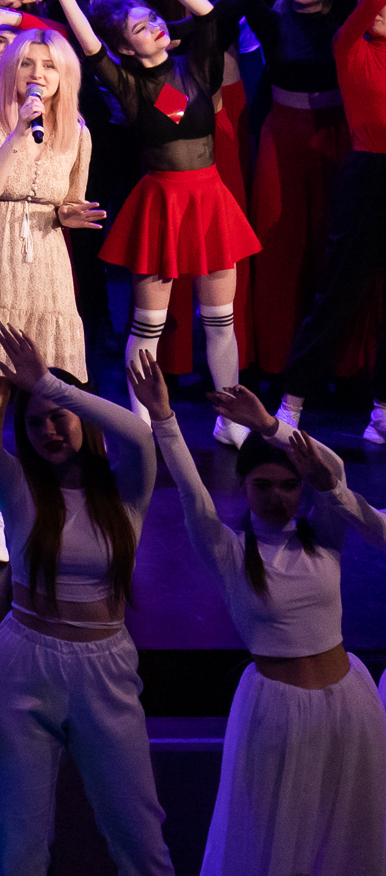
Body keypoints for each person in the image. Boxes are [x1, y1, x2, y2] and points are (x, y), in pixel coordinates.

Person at [0, 283, 173, 876]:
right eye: (35, 424)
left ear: (80, 417)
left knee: (141, 842)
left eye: (59, 418)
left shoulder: (125, 493)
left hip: (105, 669)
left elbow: (140, 434)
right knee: (20, 848)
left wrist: (50, 386)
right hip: (24, 663)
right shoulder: (18, 487)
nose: (48, 430)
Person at [133, 363, 385, 876]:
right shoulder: (227, 550)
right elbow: (191, 491)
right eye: (263, 486)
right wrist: (163, 418)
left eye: (289, 486)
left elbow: (334, 470)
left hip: (350, 706)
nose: (277, 497)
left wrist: (272, 425)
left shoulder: (324, 534)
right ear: (243, 486)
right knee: (272, 841)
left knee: (348, 841)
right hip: (277, 713)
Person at [34, 0, 259, 442]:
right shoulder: (130, 84)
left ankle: (231, 420)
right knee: (148, 325)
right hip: (162, 206)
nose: (154, 27)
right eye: (140, 27)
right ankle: (140, 424)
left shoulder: (195, 65)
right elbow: (92, 50)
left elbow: (208, 16)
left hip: (210, 201)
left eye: (153, 18)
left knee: (220, 321)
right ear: (125, 48)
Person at [0, 28, 103, 563]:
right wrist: (18, 133)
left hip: (44, 265)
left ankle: (47, 508)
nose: (38, 74)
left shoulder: (77, 132)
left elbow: (70, 199)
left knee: (48, 396)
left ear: (65, 75)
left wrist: (69, 214)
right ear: (11, 69)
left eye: (49, 66)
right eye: (28, 63)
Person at [278, 0, 386, 437]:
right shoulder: (350, 47)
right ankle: (292, 402)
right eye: (367, 4)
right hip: (369, 177)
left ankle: (382, 411)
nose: (376, 10)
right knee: (339, 295)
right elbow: (364, 11)